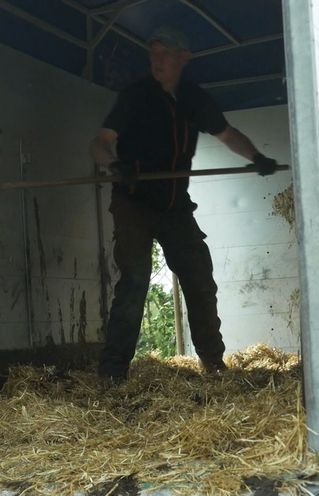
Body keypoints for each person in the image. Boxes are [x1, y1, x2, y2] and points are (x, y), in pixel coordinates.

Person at [90, 26, 280, 382]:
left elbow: (227, 134)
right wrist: (115, 165)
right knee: (134, 280)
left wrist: (257, 156)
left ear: (184, 57)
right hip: (133, 202)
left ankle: (212, 363)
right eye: (153, 54)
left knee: (199, 279)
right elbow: (100, 143)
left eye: (164, 54)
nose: (156, 61)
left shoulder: (193, 99)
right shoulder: (135, 96)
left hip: (175, 205)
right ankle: (112, 373)